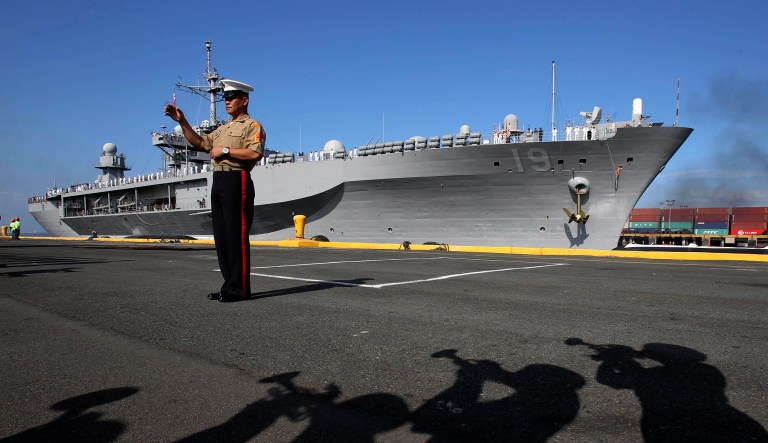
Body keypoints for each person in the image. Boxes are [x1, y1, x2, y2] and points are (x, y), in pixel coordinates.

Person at [164, 79, 265, 302]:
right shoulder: (222, 129)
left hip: (236, 179)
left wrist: (226, 150)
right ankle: (229, 286)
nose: (227, 102)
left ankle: (240, 289)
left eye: (231, 98)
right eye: (225, 99)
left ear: (244, 100)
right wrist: (182, 121)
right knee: (222, 238)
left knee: (236, 236)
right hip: (218, 180)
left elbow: (254, 154)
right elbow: (200, 143)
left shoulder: (252, 126)